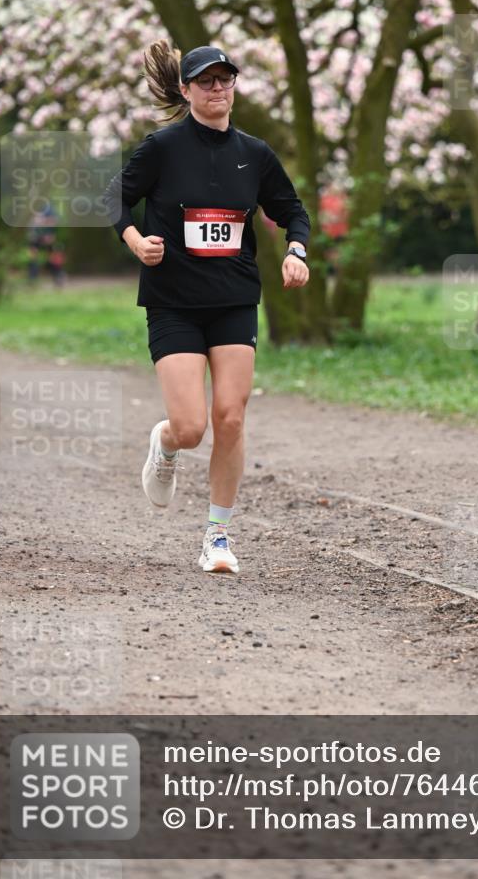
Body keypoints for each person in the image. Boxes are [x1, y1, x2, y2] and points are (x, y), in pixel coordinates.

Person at [103, 42, 310, 574]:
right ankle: (166, 443)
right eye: (207, 81)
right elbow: (114, 198)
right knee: (192, 426)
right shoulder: (162, 148)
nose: (218, 89)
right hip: (173, 302)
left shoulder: (255, 153)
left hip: (234, 300)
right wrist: (134, 239)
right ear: (186, 90)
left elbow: (291, 210)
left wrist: (296, 250)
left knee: (232, 418)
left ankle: (217, 536)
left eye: (226, 80)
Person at [26, 201, 66, 285]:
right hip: (35, 239)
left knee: (56, 253)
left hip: (47, 240)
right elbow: (31, 235)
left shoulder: (51, 222)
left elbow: (52, 237)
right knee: (33, 255)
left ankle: (58, 276)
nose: (53, 222)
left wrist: (49, 237)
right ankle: (32, 279)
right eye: (50, 219)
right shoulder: (36, 223)